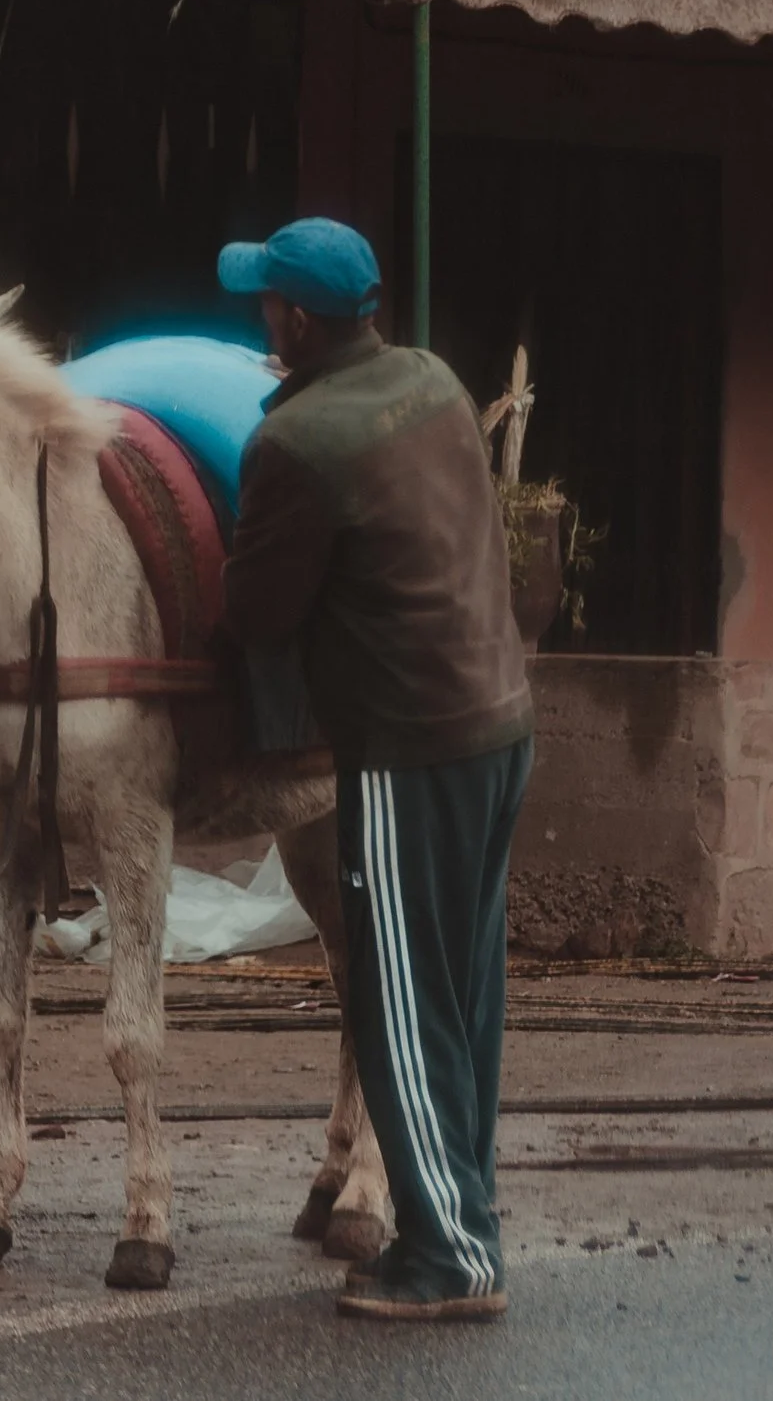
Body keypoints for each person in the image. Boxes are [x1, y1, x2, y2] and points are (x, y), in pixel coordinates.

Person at [217, 217, 534, 1323]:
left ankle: (448, 1258)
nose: (260, 314)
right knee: (463, 997)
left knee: (398, 1002)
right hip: (499, 722)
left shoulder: (294, 443)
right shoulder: (432, 381)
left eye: (268, 302)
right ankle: (463, 1222)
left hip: (410, 746)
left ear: (296, 322)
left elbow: (255, 612)